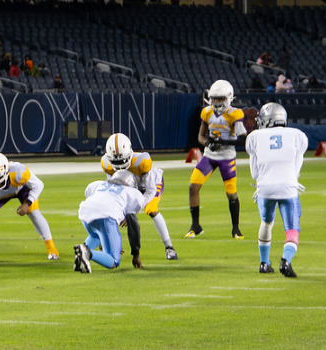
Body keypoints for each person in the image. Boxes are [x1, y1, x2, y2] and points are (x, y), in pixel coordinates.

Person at [245, 103, 307, 278]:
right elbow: (297, 166)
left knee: (266, 223)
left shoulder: (254, 136)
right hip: (288, 187)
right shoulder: (297, 135)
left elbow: (254, 173)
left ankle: (264, 263)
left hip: (264, 188)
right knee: (292, 229)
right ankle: (286, 260)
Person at [101, 133, 176, 264]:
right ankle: (108, 243)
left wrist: (131, 210)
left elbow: (150, 191)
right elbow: (113, 193)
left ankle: (169, 247)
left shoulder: (142, 161)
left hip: (149, 186)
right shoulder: (106, 165)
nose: (119, 167)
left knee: (151, 209)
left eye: (122, 161)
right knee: (111, 213)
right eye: (115, 163)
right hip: (129, 188)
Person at [0, 153, 58, 261]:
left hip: (21, 189)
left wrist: (27, 203)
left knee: (33, 212)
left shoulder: (19, 172)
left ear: (5, 173)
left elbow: (38, 185)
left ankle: (52, 249)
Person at [186, 80, 247, 240]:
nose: (216, 102)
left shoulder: (234, 114)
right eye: (214, 98)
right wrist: (207, 143)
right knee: (193, 186)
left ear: (228, 98)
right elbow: (200, 136)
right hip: (210, 156)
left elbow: (243, 140)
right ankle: (195, 226)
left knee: (231, 194)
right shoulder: (207, 112)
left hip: (227, 157)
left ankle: (236, 229)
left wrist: (223, 143)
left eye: (220, 99)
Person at [72, 170, 144, 274]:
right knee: (114, 261)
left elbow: (97, 202)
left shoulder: (98, 184)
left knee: (96, 235)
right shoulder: (133, 193)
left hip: (84, 212)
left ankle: (81, 254)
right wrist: (136, 254)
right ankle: (88, 253)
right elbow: (133, 228)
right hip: (106, 216)